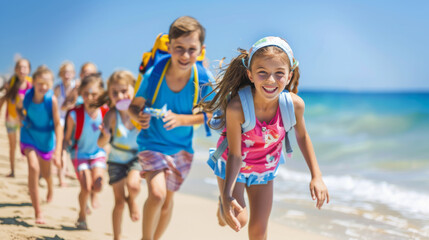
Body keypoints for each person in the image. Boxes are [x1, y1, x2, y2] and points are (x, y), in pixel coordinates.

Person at [198, 36, 330, 239]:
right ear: (250, 74)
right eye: (263, 73)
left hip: (265, 170)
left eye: (279, 73)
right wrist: (226, 195)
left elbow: (302, 137)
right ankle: (222, 204)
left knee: (259, 231)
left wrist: (316, 176)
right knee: (237, 220)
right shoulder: (238, 107)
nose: (271, 80)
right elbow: (234, 154)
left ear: (289, 75)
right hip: (233, 165)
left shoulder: (294, 105)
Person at [128, 16, 214, 240]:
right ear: (169, 46)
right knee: (157, 195)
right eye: (179, 48)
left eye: (191, 49)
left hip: (181, 149)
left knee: (167, 203)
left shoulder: (203, 79)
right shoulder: (154, 74)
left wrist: (182, 120)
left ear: (201, 50)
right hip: (151, 143)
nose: (185, 55)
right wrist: (140, 116)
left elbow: (213, 115)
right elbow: (133, 107)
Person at [97, 70, 141, 240]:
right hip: (115, 159)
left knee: (134, 186)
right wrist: (106, 136)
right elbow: (100, 144)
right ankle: (117, 237)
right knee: (119, 202)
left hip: (136, 158)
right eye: (114, 93)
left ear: (133, 90)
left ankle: (133, 200)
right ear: (109, 95)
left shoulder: (138, 112)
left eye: (124, 91)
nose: (120, 95)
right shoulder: (111, 115)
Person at [18, 65, 62, 224]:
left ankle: (50, 187)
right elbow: (19, 109)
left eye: (47, 83)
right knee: (33, 168)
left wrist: (57, 151)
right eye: (40, 83)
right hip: (29, 134)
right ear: (33, 82)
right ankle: (38, 211)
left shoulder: (52, 100)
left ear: (51, 84)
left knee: (47, 172)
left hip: (46, 139)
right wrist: (21, 118)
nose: (43, 87)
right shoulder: (26, 97)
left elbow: (57, 124)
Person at [63, 73, 107, 230]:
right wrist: (62, 154)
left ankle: (94, 196)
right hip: (79, 153)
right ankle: (82, 215)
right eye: (86, 94)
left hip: (98, 153)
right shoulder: (75, 114)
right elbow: (67, 138)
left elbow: (110, 136)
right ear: (81, 93)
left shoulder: (105, 112)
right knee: (85, 186)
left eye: (94, 94)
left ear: (101, 94)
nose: (90, 97)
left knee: (98, 185)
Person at [0, 58, 32, 178]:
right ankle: (12, 171)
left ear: (29, 70)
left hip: (25, 120)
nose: (22, 70)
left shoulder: (32, 84)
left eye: (25, 67)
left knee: (27, 146)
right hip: (11, 118)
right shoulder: (11, 83)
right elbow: (3, 98)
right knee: (12, 145)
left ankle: (31, 174)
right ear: (15, 69)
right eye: (20, 67)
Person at [53, 61, 78, 186]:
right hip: (61, 119)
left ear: (73, 74)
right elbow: (55, 105)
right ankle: (61, 178)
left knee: (69, 148)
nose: (66, 75)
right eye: (64, 72)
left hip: (74, 119)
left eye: (69, 72)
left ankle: (67, 172)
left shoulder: (76, 86)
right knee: (61, 147)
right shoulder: (58, 88)